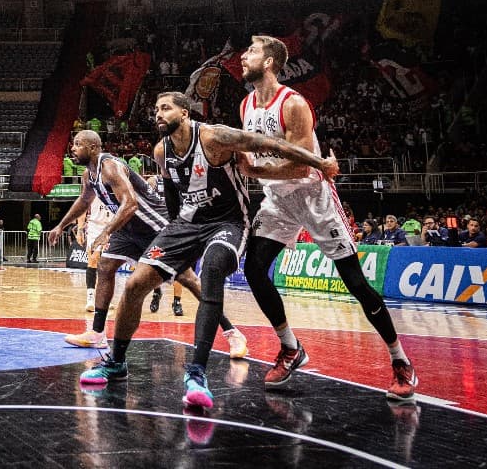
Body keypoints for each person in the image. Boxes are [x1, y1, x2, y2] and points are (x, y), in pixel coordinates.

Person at [76, 93, 337, 409]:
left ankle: (197, 374)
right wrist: (173, 234)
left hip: (227, 223)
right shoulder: (162, 151)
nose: (157, 113)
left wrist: (319, 163)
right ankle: (117, 361)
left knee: (210, 271)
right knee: (134, 284)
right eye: (155, 108)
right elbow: (172, 191)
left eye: (165, 108)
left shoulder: (214, 135)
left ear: (185, 113)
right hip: (186, 224)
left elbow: (270, 144)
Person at [237, 35, 416, 402]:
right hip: (277, 202)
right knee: (254, 269)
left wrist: (256, 174)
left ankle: (401, 361)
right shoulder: (246, 105)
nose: (243, 56)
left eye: (251, 52)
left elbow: (300, 165)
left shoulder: (294, 104)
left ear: (269, 62)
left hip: (313, 197)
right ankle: (291, 348)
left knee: (355, 282)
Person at [48, 129, 250, 359]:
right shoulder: (88, 175)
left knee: (187, 279)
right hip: (127, 230)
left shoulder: (110, 166)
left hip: (153, 225)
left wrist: (106, 231)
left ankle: (232, 332)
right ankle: (97, 333)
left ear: (93, 147)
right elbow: (84, 200)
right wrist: (61, 226)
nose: (72, 149)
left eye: (77, 144)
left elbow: (131, 204)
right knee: (104, 267)